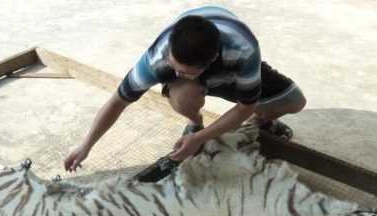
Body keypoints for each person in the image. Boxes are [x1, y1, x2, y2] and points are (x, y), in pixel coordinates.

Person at [64, 6, 306, 172]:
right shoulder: (158, 59)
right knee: (181, 94)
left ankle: (258, 122)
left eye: (185, 72)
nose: (176, 75)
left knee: (295, 102)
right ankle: (195, 120)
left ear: (210, 63)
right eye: (174, 67)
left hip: (233, 67)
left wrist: (199, 140)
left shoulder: (244, 50)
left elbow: (246, 106)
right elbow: (118, 100)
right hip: (201, 64)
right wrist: (86, 145)